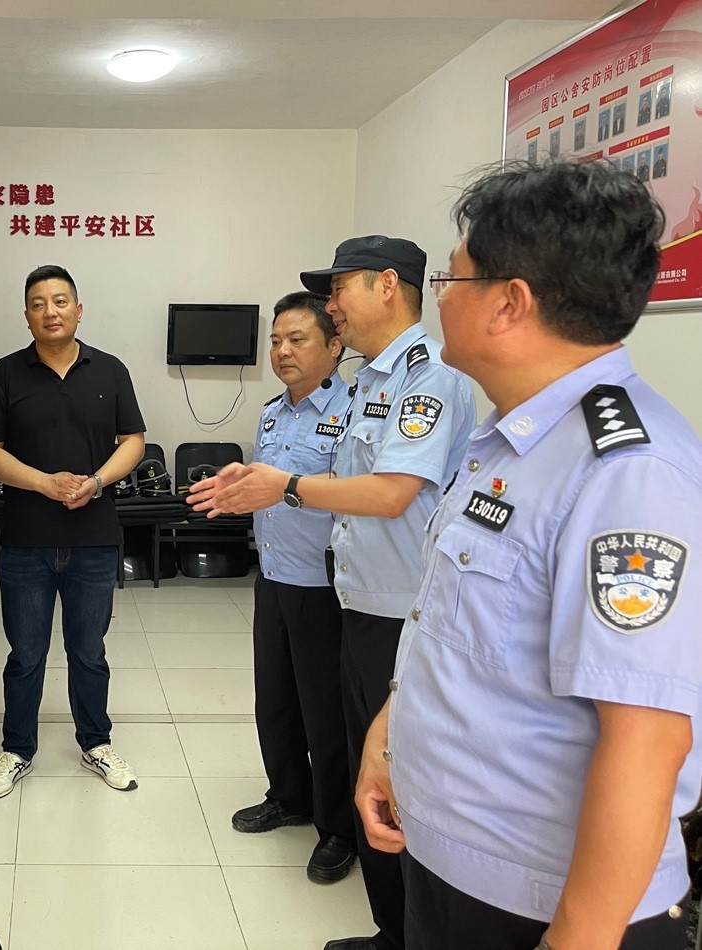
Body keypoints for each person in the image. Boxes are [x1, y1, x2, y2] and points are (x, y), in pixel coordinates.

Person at [356, 159, 702, 950]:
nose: (438, 297)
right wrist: (389, 738)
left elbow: (646, 739)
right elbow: (460, 636)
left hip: (542, 905)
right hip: (453, 863)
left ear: (508, 302)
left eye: (451, 278)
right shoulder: (509, 440)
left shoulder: (627, 473)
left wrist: (576, 940)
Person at [187, 235, 476, 950]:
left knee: (397, 773)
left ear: (387, 285)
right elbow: (348, 484)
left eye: (339, 288)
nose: (332, 304)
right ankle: (389, 929)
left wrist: (284, 485)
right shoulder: (377, 381)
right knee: (360, 757)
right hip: (358, 597)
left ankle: (407, 929)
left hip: (400, 611)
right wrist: (259, 486)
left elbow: (391, 492)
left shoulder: (428, 378)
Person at [0, 264, 146, 799]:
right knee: (25, 654)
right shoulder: (6, 373)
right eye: (38, 303)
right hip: (26, 540)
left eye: (60, 301)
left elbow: (133, 440)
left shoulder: (110, 370)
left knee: (89, 651)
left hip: (94, 538)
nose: (51, 311)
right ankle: (16, 749)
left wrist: (96, 482)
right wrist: (43, 483)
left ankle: (96, 742)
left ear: (78, 309)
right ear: (26, 315)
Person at [231, 292, 357, 886]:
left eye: (297, 339)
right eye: (276, 341)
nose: (282, 351)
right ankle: (288, 795)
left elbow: (356, 487)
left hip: (324, 583)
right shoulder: (271, 414)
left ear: (335, 345)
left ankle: (338, 827)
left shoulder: (355, 412)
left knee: (324, 709)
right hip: (274, 576)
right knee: (275, 698)